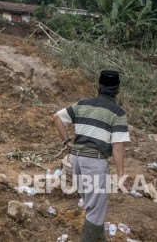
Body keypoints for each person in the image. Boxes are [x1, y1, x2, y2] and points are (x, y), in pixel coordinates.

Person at [53, 70, 130, 241]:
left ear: (98, 87)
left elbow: (57, 117)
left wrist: (68, 142)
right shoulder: (117, 113)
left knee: (92, 207)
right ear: (117, 90)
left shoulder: (83, 104)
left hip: (76, 160)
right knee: (95, 213)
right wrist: (120, 174)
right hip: (95, 163)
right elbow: (118, 144)